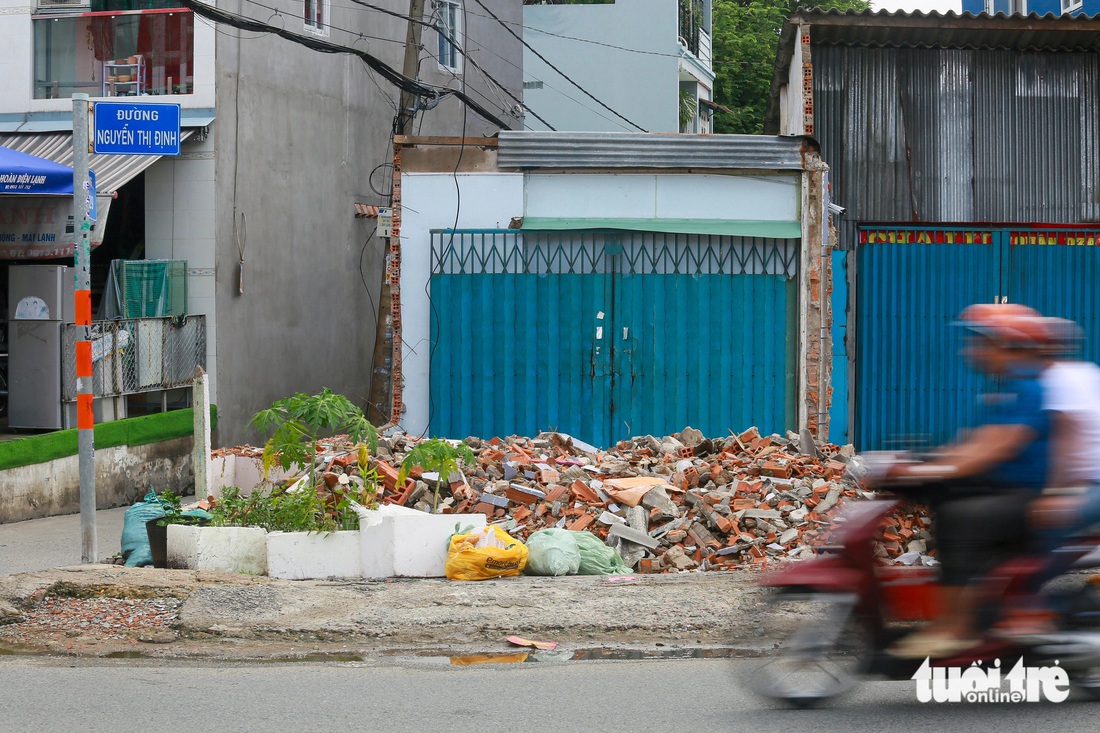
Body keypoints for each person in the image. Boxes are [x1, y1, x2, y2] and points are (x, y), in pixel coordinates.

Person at [884, 303, 1055, 658]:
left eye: (980, 342)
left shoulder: (1028, 389)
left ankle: (955, 627)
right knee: (942, 496)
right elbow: (972, 445)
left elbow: (993, 449)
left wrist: (934, 468)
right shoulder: (1005, 389)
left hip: (1025, 497)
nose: (970, 350)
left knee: (959, 519)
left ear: (1006, 345)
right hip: (1003, 487)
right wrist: (921, 463)